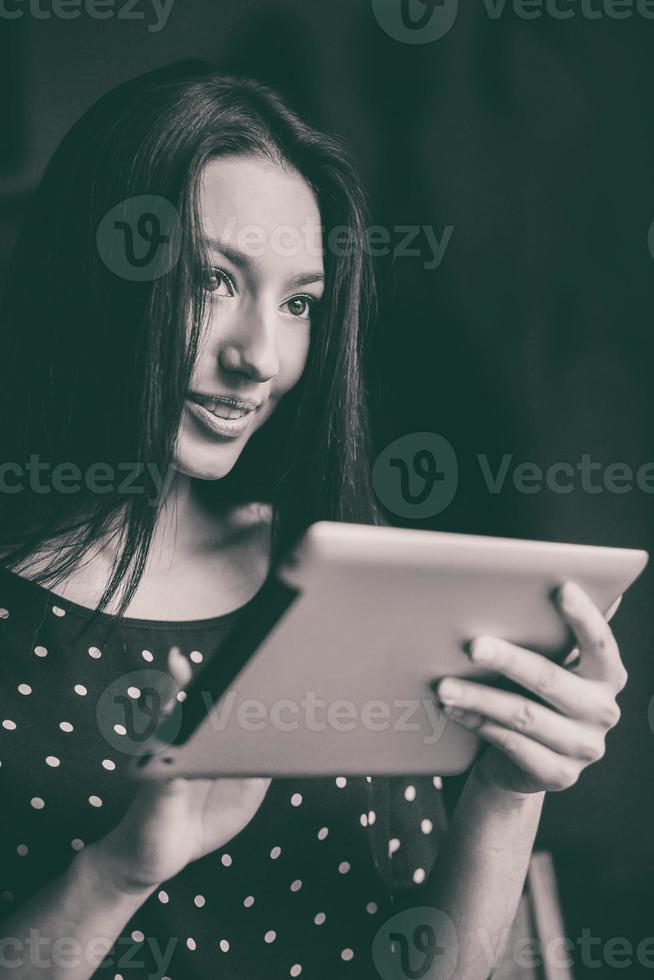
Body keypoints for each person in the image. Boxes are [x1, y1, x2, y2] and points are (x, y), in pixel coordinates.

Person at [0, 60, 628, 980]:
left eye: (299, 302)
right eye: (215, 281)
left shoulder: (332, 573)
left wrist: (504, 789)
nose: (261, 356)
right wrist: (117, 874)